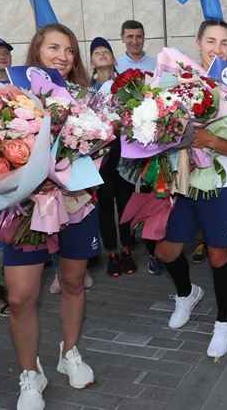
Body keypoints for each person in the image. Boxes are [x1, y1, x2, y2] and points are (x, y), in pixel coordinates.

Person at [8, 23, 99, 410]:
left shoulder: (88, 100)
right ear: (37, 52)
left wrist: (66, 173)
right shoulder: (12, 97)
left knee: (73, 282)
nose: (63, 56)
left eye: (69, 50)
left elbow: (99, 151)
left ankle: (69, 352)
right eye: (54, 48)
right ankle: (31, 373)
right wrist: (29, 179)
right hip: (25, 208)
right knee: (19, 297)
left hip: (75, 203)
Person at [155, 19, 227, 359]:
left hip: (224, 184)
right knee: (166, 252)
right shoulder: (178, 81)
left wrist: (208, 139)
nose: (218, 48)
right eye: (211, 41)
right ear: (198, 43)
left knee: (218, 256)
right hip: (184, 182)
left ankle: (223, 322)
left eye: (225, 42)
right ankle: (187, 293)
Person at [89, 37, 139, 277]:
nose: (102, 54)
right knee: (105, 207)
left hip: (126, 157)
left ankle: (127, 249)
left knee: (127, 204)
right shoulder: (87, 92)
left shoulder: (127, 87)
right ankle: (111, 253)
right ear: (91, 62)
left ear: (114, 59)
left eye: (106, 51)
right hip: (102, 160)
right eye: (96, 52)